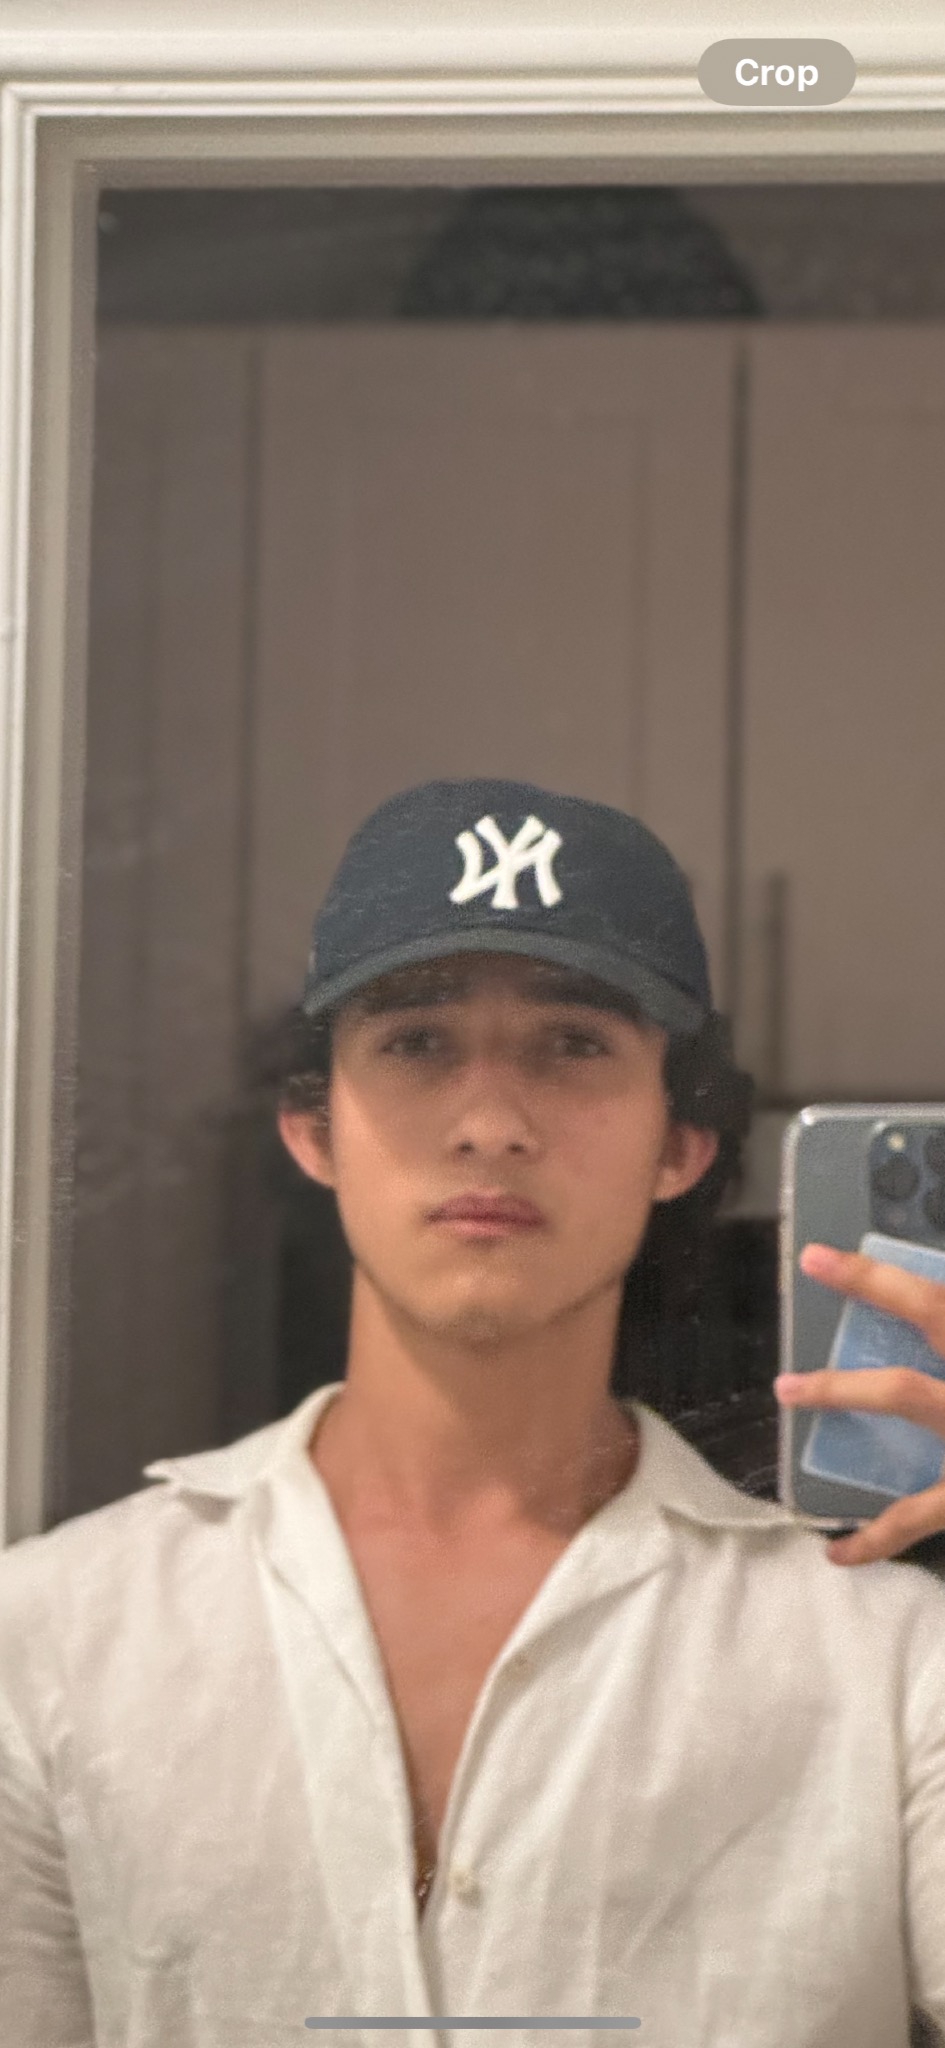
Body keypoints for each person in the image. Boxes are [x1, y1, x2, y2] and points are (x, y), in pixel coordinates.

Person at [1, 775, 944, 2048]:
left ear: (681, 1140)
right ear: (311, 1123)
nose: (492, 1123)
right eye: (417, 1041)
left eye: (574, 1044)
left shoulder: (888, 1659)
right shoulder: (52, 1639)